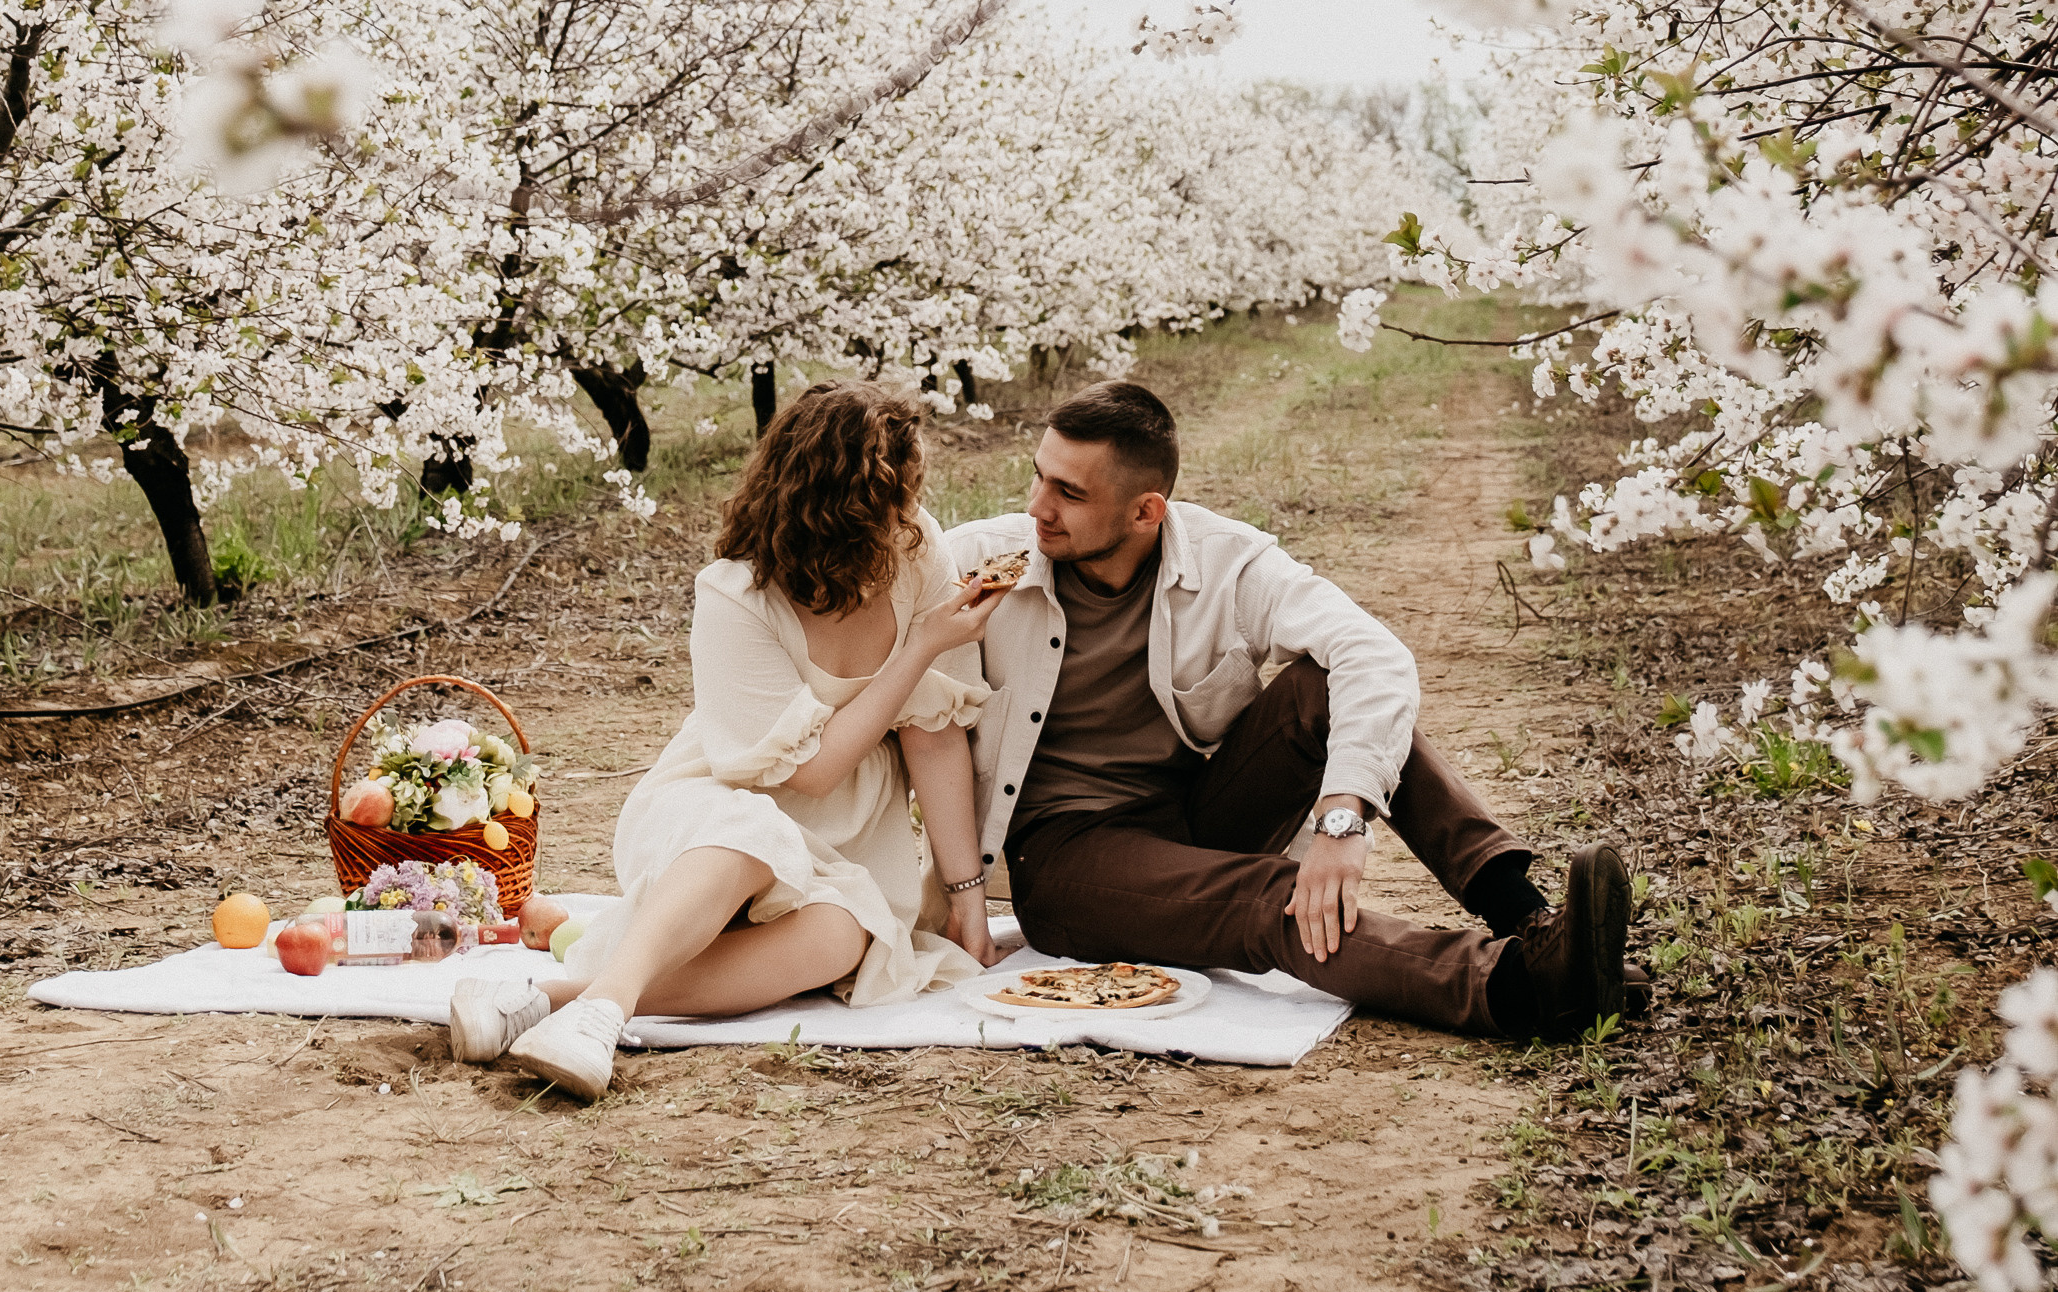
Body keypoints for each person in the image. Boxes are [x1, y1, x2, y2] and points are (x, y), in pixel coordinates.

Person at [949, 378, 1630, 1040]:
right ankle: (1519, 986)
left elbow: (1373, 653)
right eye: (1039, 477)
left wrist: (1341, 822)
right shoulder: (987, 564)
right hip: (1069, 860)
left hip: (1190, 819)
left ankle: (1530, 919)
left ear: (1145, 511)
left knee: (1321, 685)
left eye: (1068, 493)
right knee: (1271, 897)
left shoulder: (1224, 563)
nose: (1038, 506)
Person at [448, 380, 1011, 1102]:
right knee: (751, 833)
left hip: (847, 835)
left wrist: (965, 898)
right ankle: (598, 1016)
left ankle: (557, 1003)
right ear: (837, 513)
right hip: (722, 809)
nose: (907, 515)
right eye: (889, 501)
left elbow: (932, 738)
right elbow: (801, 774)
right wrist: (920, 650)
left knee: (846, 936)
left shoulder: (913, 547)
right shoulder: (734, 595)